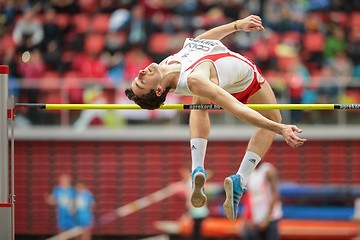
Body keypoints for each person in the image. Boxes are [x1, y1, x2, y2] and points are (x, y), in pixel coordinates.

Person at [125, 15, 306, 221]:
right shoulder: (195, 80)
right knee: (274, 117)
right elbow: (237, 109)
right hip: (245, 78)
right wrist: (279, 128)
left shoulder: (167, 64)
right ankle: (240, 180)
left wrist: (237, 25)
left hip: (215, 72)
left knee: (198, 104)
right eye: (141, 82)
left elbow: (202, 41)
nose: (140, 73)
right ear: (158, 90)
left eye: (137, 78)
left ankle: (197, 170)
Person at [241, 161, 282, 240]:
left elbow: (275, 195)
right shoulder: (250, 173)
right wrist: (247, 218)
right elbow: (249, 197)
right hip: (256, 219)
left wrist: (267, 219)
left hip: (270, 218)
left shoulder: (268, 170)